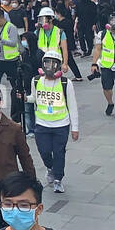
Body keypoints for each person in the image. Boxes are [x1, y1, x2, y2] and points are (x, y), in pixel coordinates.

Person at [26, 48, 79, 193]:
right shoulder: (36, 80)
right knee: (44, 151)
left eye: (53, 63)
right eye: (47, 62)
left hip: (61, 124)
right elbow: (34, 98)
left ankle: (58, 179)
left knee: (59, 152)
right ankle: (50, 168)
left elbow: (72, 106)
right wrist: (25, 98)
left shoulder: (65, 83)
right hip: (42, 124)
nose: (50, 66)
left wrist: (75, 128)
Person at [0, 7, 25, 124]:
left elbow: (13, 43)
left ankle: (17, 113)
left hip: (11, 60)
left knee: (16, 85)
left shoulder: (11, 27)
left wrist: (0, 39)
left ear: (3, 17)